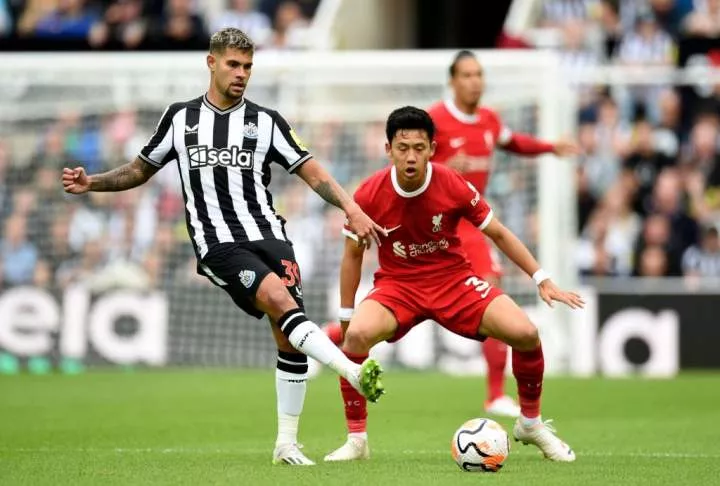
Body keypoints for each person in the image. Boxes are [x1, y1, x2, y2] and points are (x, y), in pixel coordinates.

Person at [61, 27, 385, 466]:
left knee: (287, 337)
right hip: (218, 244)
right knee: (279, 300)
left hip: (271, 236)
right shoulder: (180, 119)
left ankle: (286, 444)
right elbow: (140, 170)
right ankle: (351, 370)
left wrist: (351, 207)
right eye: (234, 64)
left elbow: (312, 172)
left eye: (248, 66)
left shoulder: (266, 121)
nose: (242, 74)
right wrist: (92, 183)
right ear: (211, 62)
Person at [325, 50, 580, 418]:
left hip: (469, 221)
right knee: (366, 328)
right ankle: (328, 339)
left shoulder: (490, 120)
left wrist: (549, 147)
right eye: (466, 74)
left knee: (499, 299)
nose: (474, 81)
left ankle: (496, 395)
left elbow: (514, 143)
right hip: (435, 230)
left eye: (479, 74)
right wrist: (446, 167)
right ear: (452, 80)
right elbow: (418, 174)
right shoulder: (433, 122)